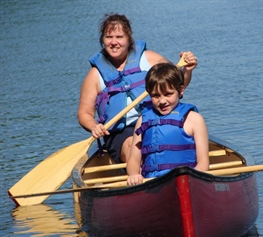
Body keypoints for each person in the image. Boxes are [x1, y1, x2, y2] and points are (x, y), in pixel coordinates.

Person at [78, 13, 198, 164]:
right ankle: (144, 178)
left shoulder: (149, 59)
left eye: (119, 37)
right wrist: (94, 126)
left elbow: (178, 85)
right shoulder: (95, 75)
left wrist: (187, 70)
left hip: (156, 117)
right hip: (121, 132)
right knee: (132, 147)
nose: (114, 42)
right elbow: (84, 113)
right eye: (109, 37)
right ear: (103, 40)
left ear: (129, 39)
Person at [127, 63, 209, 186]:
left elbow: (203, 163)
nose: (162, 101)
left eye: (168, 94)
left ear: (180, 90)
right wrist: (133, 174)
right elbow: (133, 160)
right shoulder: (142, 120)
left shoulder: (194, 119)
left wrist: (190, 180)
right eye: (156, 96)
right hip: (152, 184)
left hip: (186, 181)